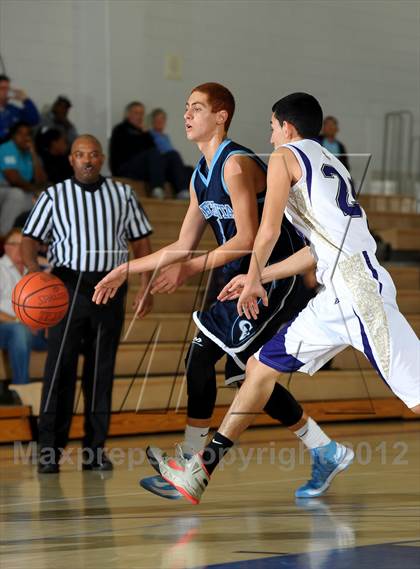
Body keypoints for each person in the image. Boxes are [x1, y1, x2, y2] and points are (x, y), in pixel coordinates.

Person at [153, 92, 420, 505]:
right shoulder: (331, 165)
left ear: (288, 128)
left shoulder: (284, 157)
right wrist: (256, 275)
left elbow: (268, 229)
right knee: (259, 367)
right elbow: (315, 249)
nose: (271, 135)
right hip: (336, 294)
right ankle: (199, 471)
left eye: (272, 127)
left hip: (361, 292)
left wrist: (255, 274)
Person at [93, 83, 352, 500]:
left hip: (271, 276)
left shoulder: (235, 164)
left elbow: (249, 236)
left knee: (201, 354)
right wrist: (124, 269)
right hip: (240, 276)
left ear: (221, 115)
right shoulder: (200, 175)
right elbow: (181, 245)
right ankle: (324, 448)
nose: (186, 115)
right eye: (186, 108)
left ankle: (190, 462)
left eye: (196, 108)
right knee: (249, 374)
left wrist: (192, 267)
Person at [21, 134, 154, 474]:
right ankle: (49, 451)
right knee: (59, 371)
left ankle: (95, 451)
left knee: (100, 372)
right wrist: (35, 274)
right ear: (71, 160)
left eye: (93, 154)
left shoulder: (123, 195)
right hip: (66, 286)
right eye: (80, 154)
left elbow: (141, 243)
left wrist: (146, 286)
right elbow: (28, 240)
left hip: (110, 287)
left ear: (102, 158)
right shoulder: (53, 196)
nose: (87, 160)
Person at [0, 228, 47, 402]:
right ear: (6, 247)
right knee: (19, 331)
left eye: (25, 244)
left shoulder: (33, 270)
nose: (21, 248)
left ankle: (56, 394)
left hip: (32, 330)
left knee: (64, 330)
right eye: (16, 244)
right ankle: (22, 392)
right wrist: (20, 321)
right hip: (6, 328)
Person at [110, 101, 166, 199]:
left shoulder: (144, 133)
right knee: (152, 153)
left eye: (141, 113)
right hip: (125, 168)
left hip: (143, 167)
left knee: (173, 156)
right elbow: (130, 151)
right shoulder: (120, 130)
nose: (139, 116)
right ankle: (157, 189)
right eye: (136, 113)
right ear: (128, 115)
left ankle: (184, 191)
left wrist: (145, 134)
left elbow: (154, 150)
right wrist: (143, 135)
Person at [0, 122, 46, 236]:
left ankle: (34, 239)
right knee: (17, 194)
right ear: (13, 136)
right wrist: (33, 188)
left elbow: (41, 180)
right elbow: (13, 178)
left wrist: (33, 153)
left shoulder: (28, 152)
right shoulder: (7, 148)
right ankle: (5, 237)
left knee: (43, 198)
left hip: (22, 189)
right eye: (20, 134)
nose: (24, 138)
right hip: (4, 188)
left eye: (27, 135)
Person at [150, 108, 192, 199]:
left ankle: (190, 195)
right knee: (174, 155)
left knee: (190, 170)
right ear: (153, 121)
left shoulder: (166, 137)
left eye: (162, 119)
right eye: (157, 120)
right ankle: (181, 191)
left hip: (170, 162)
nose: (159, 122)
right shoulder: (149, 135)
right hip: (160, 164)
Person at [0, 74, 40, 143]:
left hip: (15, 150)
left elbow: (34, 120)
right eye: (2, 88)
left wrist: (26, 100)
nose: (6, 92)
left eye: (8, 89)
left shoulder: (13, 109)